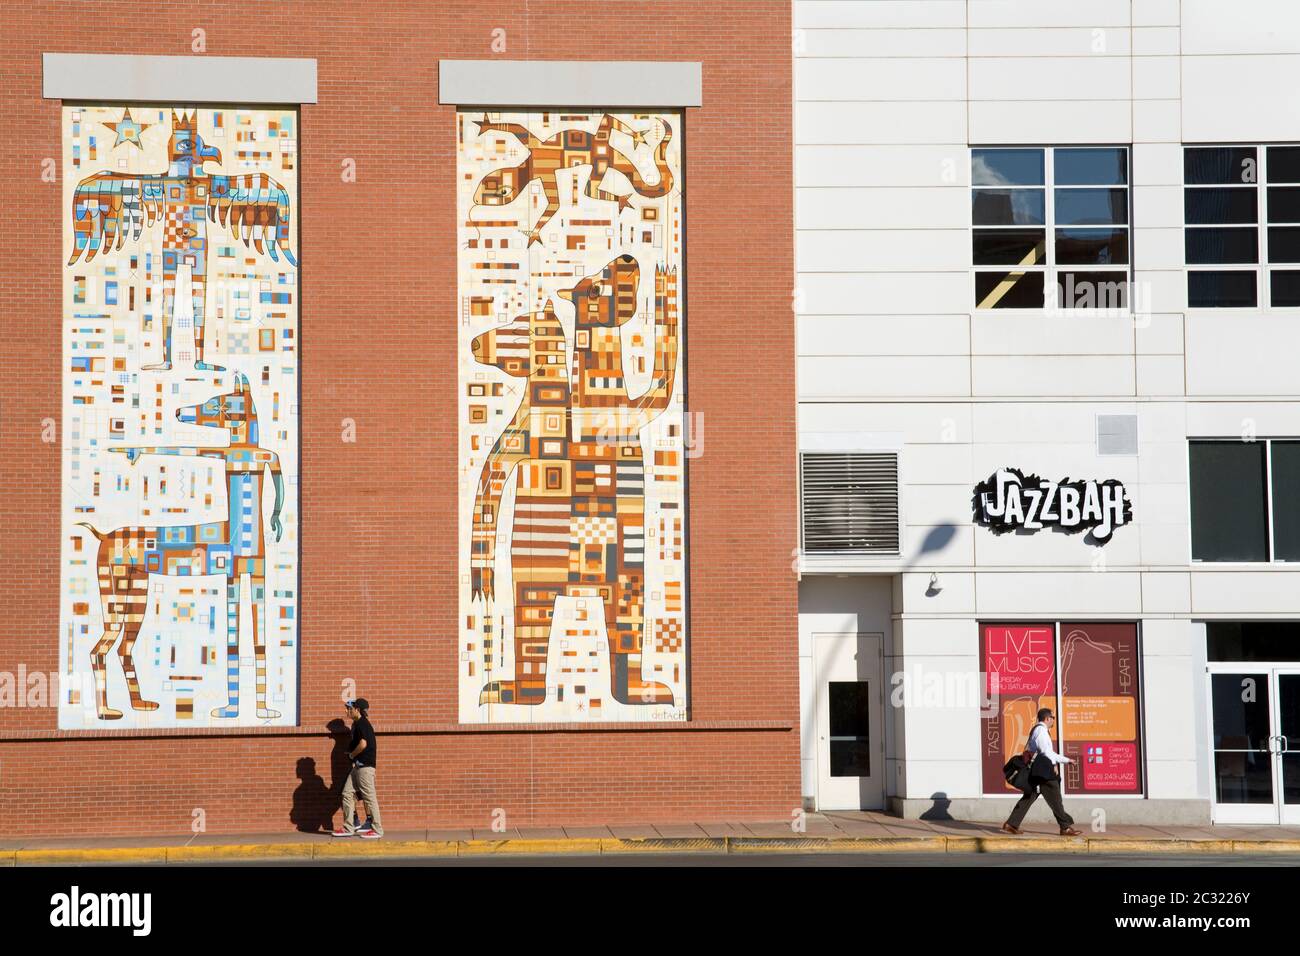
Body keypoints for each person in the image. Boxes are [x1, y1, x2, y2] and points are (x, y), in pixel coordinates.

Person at [1001, 708, 1082, 836]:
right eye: (1053, 718)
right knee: (1055, 797)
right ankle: (1065, 827)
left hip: (1039, 770)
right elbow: (1046, 752)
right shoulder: (1041, 731)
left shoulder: (1040, 730)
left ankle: (1011, 824)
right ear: (1047, 718)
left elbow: (1046, 752)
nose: (1054, 720)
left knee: (1030, 795)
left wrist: (1065, 761)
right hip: (1042, 771)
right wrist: (1057, 763)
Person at [332, 699, 383, 839]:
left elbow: (363, 743)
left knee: (369, 797)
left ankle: (377, 829)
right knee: (347, 793)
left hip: (365, 767)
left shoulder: (362, 724)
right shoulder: (356, 724)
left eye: (349, 708)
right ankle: (349, 827)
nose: (347, 711)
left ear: (357, 710)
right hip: (358, 767)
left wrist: (352, 755)